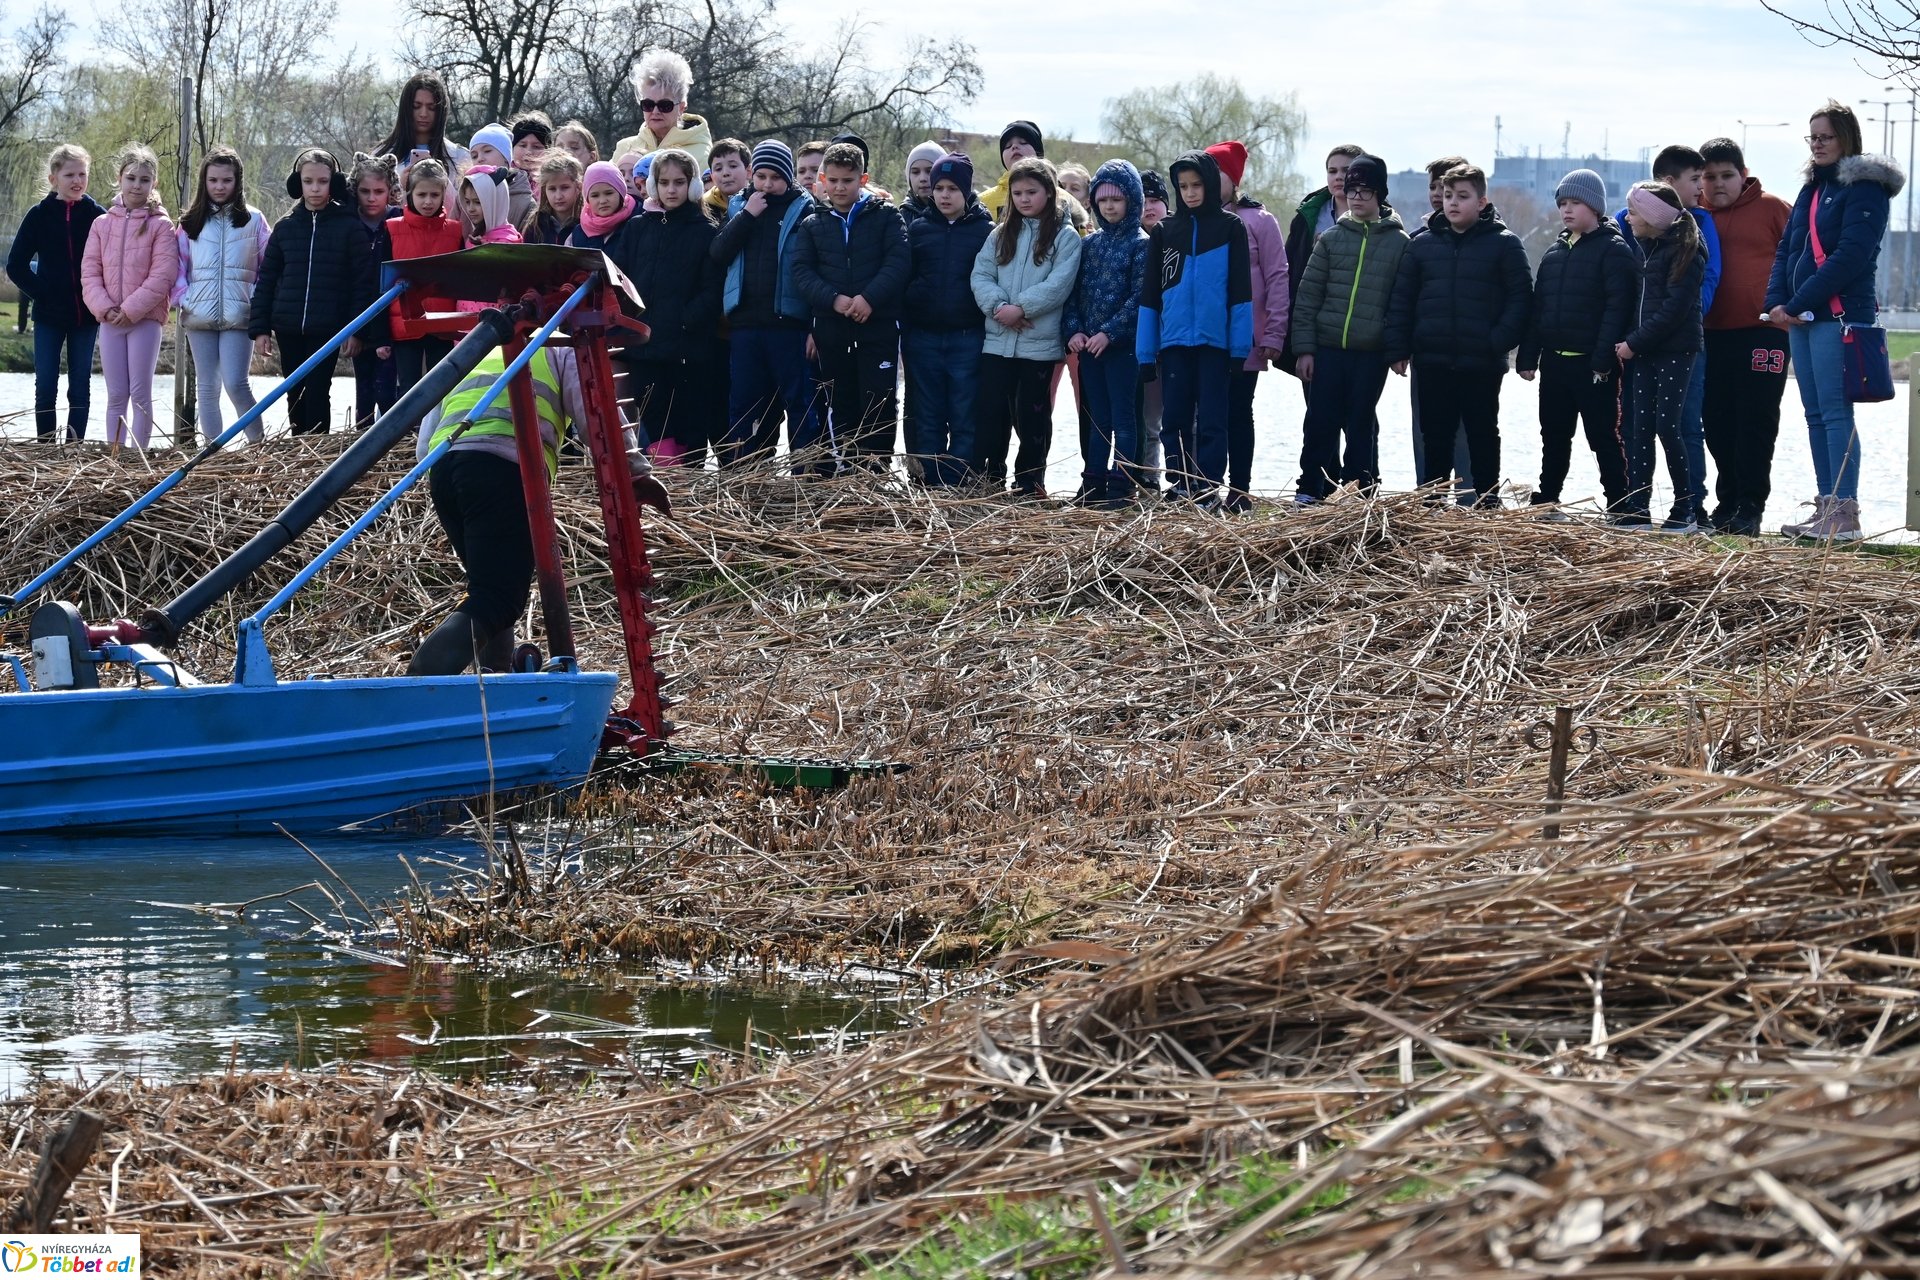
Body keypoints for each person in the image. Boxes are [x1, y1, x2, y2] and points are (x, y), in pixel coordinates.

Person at [407, 344, 669, 677]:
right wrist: (635, 471)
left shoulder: (474, 345)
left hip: (444, 473)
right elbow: (597, 414)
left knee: (488, 588)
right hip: (502, 468)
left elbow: (424, 442)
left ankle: (494, 678)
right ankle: (421, 682)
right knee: (497, 597)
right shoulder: (558, 345)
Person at [1765, 100, 1903, 542]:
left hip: (1838, 316)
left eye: (1826, 136)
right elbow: (1787, 249)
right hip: (1804, 315)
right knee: (1814, 414)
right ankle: (1827, 506)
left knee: (1834, 413)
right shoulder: (1813, 188)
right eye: (1813, 137)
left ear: (1847, 138)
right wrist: (1775, 302)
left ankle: (1845, 514)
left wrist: (1800, 301)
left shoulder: (1864, 189)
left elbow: (1851, 256)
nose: (1818, 144)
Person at [1385, 163, 1531, 508]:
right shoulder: (1423, 244)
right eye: (1448, 195)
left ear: (1482, 202)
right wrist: (1399, 347)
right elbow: (1402, 298)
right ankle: (1433, 503)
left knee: (1482, 433)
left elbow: (1521, 298)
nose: (1452, 203)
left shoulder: (1504, 244)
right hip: (1433, 358)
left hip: (1481, 361)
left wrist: (1497, 342)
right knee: (1435, 435)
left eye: (1462, 196)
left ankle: (1486, 501)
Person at [1515, 168, 1636, 518]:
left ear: (1595, 207)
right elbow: (1541, 307)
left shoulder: (1614, 250)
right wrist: (1528, 355)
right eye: (1562, 203)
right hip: (1555, 362)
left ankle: (1619, 502)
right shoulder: (1554, 252)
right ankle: (1548, 497)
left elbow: (1617, 309)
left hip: (1592, 365)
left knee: (1602, 437)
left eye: (1576, 202)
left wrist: (1602, 359)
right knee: (1553, 434)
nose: (1567, 210)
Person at [1289, 152, 1407, 503]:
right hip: (1327, 348)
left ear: (1380, 194)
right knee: (1319, 421)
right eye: (1352, 190)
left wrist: (1398, 350)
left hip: (1370, 352)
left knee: (1361, 424)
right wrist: (1304, 349)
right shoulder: (1331, 239)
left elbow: (1401, 303)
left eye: (1364, 191)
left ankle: (1361, 492)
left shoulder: (1400, 244)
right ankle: (1309, 488)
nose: (1355, 197)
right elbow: (1308, 296)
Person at [1138, 149, 1252, 508]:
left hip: (1215, 343)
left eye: (1197, 184)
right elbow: (1150, 297)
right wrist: (1145, 351)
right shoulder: (1165, 232)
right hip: (1173, 343)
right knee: (1174, 417)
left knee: (1214, 419)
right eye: (1183, 186)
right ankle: (1182, 483)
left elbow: (1241, 293)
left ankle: (1207, 486)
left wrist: (1239, 349)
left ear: (1210, 184)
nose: (1189, 192)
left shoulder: (1231, 228)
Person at [791, 140, 911, 471]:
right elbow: (802, 271)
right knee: (839, 401)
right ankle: (846, 471)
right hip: (832, 327)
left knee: (879, 400)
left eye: (848, 180)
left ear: (863, 178)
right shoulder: (813, 223)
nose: (840, 187)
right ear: (823, 181)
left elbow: (899, 262)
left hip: (879, 326)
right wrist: (834, 300)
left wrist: (869, 298)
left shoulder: (886, 215)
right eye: (833, 180)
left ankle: (877, 472)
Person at [603, 147, 723, 466]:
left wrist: (684, 321)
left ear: (693, 185)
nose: (672, 190)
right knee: (656, 427)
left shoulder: (705, 231)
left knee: (690, 427)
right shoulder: (637, 227)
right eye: (665, 182)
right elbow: (621, 279)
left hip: (689, 351)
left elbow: (712, 290)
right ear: (653, 185)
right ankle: (670, 489)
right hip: (646, 348)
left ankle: (690, 489)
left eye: (680, 182)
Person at [971, 157, 1082, 497]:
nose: (1023, 199)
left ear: (1049, 193)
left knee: (1032, 416)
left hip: (1038, 344)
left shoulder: (1066, 237)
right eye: (1017, 193)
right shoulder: (1000, 234)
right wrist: (999, 307)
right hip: (997, 341)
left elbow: (1058, 284)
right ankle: (989, 478)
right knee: (992, 413)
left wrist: (1021, 308)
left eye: (1031, 192)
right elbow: (981, 275)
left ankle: (1029, 483)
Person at [1700, 137, 1793, 536]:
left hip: (1764, 333)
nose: (1718, 184)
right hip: (1710, 335)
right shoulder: (1694, 216)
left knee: (1755, 419)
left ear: (1743, 174)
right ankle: (1728, 501)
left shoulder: (1773, 208)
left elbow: (1803, 256)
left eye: (1726, 175)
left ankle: (1751, 506)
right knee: (1716, 421)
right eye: (1709, 177)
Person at [250, 149, 376, 435]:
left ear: (334, 182)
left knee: (319, 390)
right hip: (288, 326)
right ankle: (297, 451)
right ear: (299, 184)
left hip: (328, 328)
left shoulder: (349, 227)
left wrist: (357, 331)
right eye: (308, 181)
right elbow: (266, 279)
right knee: (294, 390)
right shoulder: (285, 228)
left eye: (322, 181)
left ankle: (317, 451)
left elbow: (363, 284)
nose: (315, 188)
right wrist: (260, 328)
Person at [711, 140, 819, 467]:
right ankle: (746, 473)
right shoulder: (739, 207)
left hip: (789, 324)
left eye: (776, 177)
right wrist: (747, 216)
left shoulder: (804, 208)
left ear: (788, 177)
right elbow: (718, 253)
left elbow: (814, 268)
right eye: (761, 176)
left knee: (799, 403)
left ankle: (804, 475)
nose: (768, 184)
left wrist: (815, 324)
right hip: (745, 325)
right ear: (751, 175)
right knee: (744, 403)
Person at [1617, 182, 1705, 532]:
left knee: (1667, 426)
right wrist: (1632, 342)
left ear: (1654, 217)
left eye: (1635, 211)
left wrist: (1633, 342)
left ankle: (1685, 508)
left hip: (1674, 350)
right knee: (1639, 428)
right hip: (1644, 350)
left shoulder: (1687, 253)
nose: (1628, 217)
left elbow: (1673, 311)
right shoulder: (1644, 247)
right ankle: (1638, 506)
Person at [901, 152, 992, 486]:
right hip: (923, 335)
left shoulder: (985, 231)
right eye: (939, 187)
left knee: (964, 409)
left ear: (966, 191)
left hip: (968, 336)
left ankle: (959, 477)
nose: (943, 194)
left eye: (952, 188)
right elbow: (905, 276)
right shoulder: (918, 228)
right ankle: (930, 479)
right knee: (928, 412)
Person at [1208, 139, 1290, 513]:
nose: (1209, 180)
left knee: (1239, 411)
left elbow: (1277, 277)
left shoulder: (1259, 221)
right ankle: (1205, 487)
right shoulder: (1194, 219)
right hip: (1203, 336)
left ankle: (1239, 491)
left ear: (1233, 179)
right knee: (1204, 413)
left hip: (1246, 336)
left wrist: (1274, 333)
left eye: (1218, 174)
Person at [81, 143, 178, 450]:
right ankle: (114, 455)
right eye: (132, 178)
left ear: (154, 184)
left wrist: (131, 308)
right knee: (116, 395)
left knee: (139, 393)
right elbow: (89, 272)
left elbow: (163, 274)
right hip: (109, 321)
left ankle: (139, 457)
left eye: (145, 180)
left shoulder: (161, 225)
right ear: (120, 178)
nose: (137, 185)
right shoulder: (101, 224)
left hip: (144, 320)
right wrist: (105, 307)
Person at [1064, 159, 1150, 506]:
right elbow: (1072, 294)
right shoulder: (1090, 244)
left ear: (1132, 201)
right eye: (1102, 200)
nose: (1110, 206)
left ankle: (1122, 483)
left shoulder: (1142, 244)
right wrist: (1074, 331)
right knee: (1097, 418)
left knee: (1124, 419)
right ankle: (1093, 482)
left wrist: (1109, 334)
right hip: (1088, 349)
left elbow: (1139, 298)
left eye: (1117, 199)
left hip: (1121, 349)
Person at [7, 143, 105, 442]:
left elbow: (111, 262)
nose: (77, 181)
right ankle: (45, 450)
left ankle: (74, 450)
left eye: (82, 174)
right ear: (53, 179)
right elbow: (16, 265)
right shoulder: (39, 215)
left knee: (80, 385)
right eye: (69, 175)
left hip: (86, 315)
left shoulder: (97, 216)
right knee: (46, 383)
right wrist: (43, 293)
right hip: (49, 315)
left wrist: (99, 297)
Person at [175, 145, 271, 444]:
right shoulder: (189, 222)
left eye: (226, 180)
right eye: (213, 180)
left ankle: (258, 447)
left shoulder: (254, 221)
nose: (219, 186)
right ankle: (210, 453)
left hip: (239, 315)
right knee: (206, 387)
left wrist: (255, 298)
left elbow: (268, 267)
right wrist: (183, 297)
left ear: (237, 181)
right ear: (204, 181)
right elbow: (175, 266)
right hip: (198, 315)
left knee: (236, 383)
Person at [1652, 144, 1722, 526]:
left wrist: (1687, 318)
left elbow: (1709, 278)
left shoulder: (1701, 222)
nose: (1702, 187)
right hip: (1642, 343)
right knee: (1639, 424)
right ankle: (1633, 503)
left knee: (1686, 424)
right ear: (1668, 182)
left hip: (1686, 342)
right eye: (1695, 179)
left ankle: (1694, 504)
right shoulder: (1628, 221)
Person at [1408, 155, 1475, 498]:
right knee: (1425, 428)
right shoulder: (1419, 239)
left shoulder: (1487, 237)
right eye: (1433, 187)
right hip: (1428, 352)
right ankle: (1428, 496)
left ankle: (1469, 497)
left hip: (1471, 354)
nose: (1438, 194)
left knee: (1467, 430)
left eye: (1446, 188)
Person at [1279, 143, 1365, 379]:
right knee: (1317, 407)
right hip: (1313, 326)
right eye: (1332, 171)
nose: (1338, 177)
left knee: (1360, 412)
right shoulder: (1309, 216)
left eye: (1346, 171)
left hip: (1360, 330)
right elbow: (1290, 271)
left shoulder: (1382, 219)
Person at [386, 158, 464, 394]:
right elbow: (383, 280)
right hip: (405, 319)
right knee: (408, 386)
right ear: (410, 193)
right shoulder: (391, 228)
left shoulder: (455, 230)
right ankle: (410, 431)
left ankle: (436, 430)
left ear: (443, 195)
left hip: (443, 319)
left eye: (434, 195)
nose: (428, 201)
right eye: (422, 195)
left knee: (441, 385)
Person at [347, 152, 402, 428]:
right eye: (365, 191)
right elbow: (350, 283)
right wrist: (354, 331)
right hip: (359, 322)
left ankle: (394, 448)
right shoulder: (348, 224)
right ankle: (362, 452)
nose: (371, 198)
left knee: (388, 392)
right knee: (364, 394)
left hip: (391, 324)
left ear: (390, 191)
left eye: (378, 191)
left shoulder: (399, 224)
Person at [612, 48, 712, 169]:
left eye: (665, 106)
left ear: (681, 107)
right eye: (648, 104)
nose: (655, 111)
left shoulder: (703, 156)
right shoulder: (624, 149)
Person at [376, 71, 469, 178]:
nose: (423, 114)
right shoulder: (380, 157)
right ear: (405, 109)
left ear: (441, 111)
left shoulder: (461, 158)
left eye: (431, 107)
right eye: (416, 106)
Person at [466, 124, 534, 231]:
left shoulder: (525, 203)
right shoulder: (465, 193)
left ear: (506, 158)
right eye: (474, 156)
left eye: (487, 151)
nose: (480, 159)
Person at [571, 160, 637, 251]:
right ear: (587, 199)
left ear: (621, 192)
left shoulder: (637, 224)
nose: (602, 201)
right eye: (595, 195)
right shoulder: (578, 232)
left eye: (609, 193)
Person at [529, 150, 584, 245]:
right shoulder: (536, 225)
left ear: (578, 187)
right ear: (544, 190)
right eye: (552, 189)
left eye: (565, 188)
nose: (558, 196)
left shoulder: (587, 223)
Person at [703, 137, 751, 221]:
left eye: (733, 166)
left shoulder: (762, 203)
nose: (725, 173)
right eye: (718, 169)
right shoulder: (703, 210)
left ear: (749, 171)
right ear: (712, 177)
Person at [900, 140, 945, 223]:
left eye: (929, 171)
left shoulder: (961, 215)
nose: (922, 178)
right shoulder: (901, 217)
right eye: (915, 172)